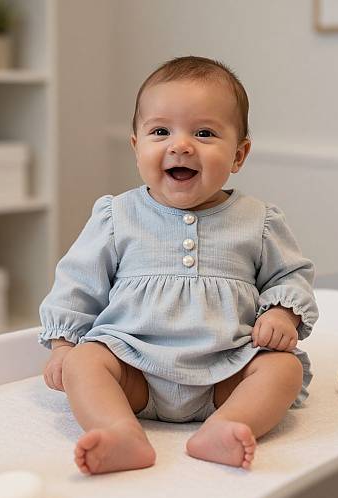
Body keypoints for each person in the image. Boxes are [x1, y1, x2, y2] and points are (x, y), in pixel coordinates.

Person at [39, 56, 318, 475]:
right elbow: (77, 282)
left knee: (283, 368)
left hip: (226, 372)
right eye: (160, 131)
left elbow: (291, 274)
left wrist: (282, 311)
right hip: (134, 369)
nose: (181, 145)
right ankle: (120, 432)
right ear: (137, 147)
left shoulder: (258, 221)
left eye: (204, 133)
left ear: (239, 154)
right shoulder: (117, 216)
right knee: (85, 362)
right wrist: (64, 344)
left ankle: (227, 427)